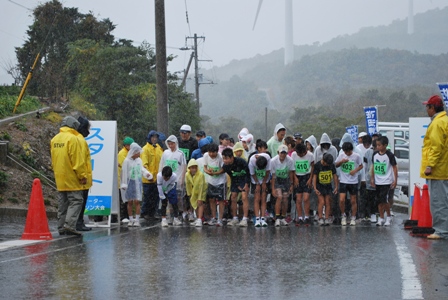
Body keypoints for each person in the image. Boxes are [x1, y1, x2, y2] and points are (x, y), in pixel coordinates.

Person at [51, 116, 88, 236]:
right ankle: (70, 225)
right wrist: (82, 175)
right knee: (77, 200)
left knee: (63, 202)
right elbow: (77, 159)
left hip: (59, 176)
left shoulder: (55, 139)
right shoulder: (73, 139)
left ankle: (61, 226)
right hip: (71, 176)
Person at [420, 95, 448, 239]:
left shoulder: (437, 123)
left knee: (439, 202)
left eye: (427, 107)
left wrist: (430, 165)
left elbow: (436, 147)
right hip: (445, 168)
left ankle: (442, 231)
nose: (426, 109)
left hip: (438, 170)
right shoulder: (445, 120)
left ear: (432, 108)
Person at [120, 143, 153, 227]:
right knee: (130, 201)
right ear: (134, 152)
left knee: (137, 201)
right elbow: (123, 172)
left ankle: (137, 219)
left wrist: (146, 174)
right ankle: (131, 219)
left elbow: (141, 169)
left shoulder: (139, 160)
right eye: (138, 152)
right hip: (129, 182)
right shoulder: (127, 161)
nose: (139, 154)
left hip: (137, 182)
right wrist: (124, 183)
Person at [371, 136, 397, 227]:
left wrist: (395, 180)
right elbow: (373, 167)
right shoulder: (375, 155)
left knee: (384, 199)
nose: (378, 147)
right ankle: (381, 217)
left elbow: (394, 167)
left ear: (385, 145)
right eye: (376, 145)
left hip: (387, 181)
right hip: (378, 181)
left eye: (379, 145)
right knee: (379, 200)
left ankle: (388, 216)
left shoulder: (389, 155)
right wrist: (372, 178)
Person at [335, 142, 363, 226]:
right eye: (345, 151)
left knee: (353, 200)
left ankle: (353, 217)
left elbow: (361, 166)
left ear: (351, 150)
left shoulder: (356, 156)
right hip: (343, 181)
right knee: (342, 199)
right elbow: (336, 165)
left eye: (348, 151)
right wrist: (342, 161)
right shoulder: (341, 155)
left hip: (353, 181)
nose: (346, 153)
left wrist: (355, 171)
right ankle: (343, 215)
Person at [222, 148, 251, 226]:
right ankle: (235, 218)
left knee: (244, 197)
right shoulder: (226, 166)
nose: (225, 160)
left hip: (244, 179)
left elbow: (248, 173)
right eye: (223, 158)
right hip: (235, 180)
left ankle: (245, 218)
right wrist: (238, 185)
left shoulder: (241, 161)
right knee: (233, 197)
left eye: (226, 158)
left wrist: (246, 184)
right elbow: (232, 176)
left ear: (232, 157)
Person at [75, 116, 92, 231]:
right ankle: (78, 222)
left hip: (81, 177)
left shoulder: (78, 139)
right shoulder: (80, 140)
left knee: (79, 202)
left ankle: (78, 222)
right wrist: (83, 176)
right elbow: (80, 160)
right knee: (80, 202)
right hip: (82, 178)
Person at [203, 143, 227, 226]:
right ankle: (213, 217)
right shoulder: (206, 155)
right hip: (210, 181)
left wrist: (216, 173)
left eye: (213, 153)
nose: (211, 154)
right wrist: (207, 172)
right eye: (210, 152)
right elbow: (205, 167)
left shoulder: (220, 157)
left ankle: (220, 219)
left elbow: (224, 169)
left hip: (220, 181)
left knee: (221, 200)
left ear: (217, 152)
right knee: (211, 199)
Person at [141, 130, 163, 220]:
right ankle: (145, 213)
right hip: (148, 179)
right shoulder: (145, 149)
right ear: (149, 138)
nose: (154, 139)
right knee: (147, 197)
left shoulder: (158, 148)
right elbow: (144, 164)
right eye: (153, 137)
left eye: (156, 137)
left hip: (157, 178)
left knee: (155, 197)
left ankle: (153, 213)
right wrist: (148, 175)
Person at [270, 145, 295, 227]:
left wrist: (291, 184)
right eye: (281, 153)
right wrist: (273, 188)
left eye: (284, 153)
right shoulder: (273, 161)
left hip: (286, 180)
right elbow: (273, 176)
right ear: (278, 153)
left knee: (285, 198)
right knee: (279, 196)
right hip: (277, 179)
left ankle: (283, 217)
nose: (283, 155)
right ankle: (277, 217)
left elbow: (291, 173)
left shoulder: (290, 160)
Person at [291, 143, 314, 225]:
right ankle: (300, 217)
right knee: (298, 198)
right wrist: (295, 178)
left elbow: (312, 166)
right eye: (298, 154)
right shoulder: (293, 155)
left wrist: (310, 178)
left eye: (301, 154)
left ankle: (307, 217)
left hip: (306, 176)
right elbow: (292, 167)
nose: (300, 155)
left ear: (305, 152)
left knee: (306, 198)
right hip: (298, 177)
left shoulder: (310, 155)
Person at [313, 153, 338, 226]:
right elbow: (315, 177)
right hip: (319, 186)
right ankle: (320, 217)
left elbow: (335, 176)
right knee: (321, 202)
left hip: (328, 186)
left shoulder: (331, 165)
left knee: (327, 202)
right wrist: (315, 187)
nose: (326, 165)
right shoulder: (317, 165)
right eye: (325, 163)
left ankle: (326, 218)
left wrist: (336, 186)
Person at [249, 151, 271, 227]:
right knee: (257, 198)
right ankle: (257, 218)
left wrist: (264, 182)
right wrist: (257, 183)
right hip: (255, 179)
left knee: (263, 197)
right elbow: (252, 174)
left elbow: (268, 172)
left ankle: (263, 218)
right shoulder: (252, 160)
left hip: (265, 178)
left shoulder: (268, 158)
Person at [185, 159, 207, 227]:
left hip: (202, 190)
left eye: (195, 167)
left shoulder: (200, 175)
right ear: (189, 168)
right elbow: (187, 184)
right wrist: (190, 194)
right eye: (192, 168)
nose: (194, 169)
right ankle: (197, 218)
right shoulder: (187, 174)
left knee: (200, 203)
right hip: (193, 190)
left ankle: (200, 219)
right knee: (194, 204)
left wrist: (200, 197)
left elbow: (201, 186)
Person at [117, 136, 134, 223]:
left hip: (129, 178)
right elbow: (124, 165)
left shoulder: (129, 152)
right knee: (123, 198)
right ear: (126, 145)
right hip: (122, 179)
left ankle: (128, 215)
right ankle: (123, 216)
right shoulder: (122, 153)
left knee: (128, 198)